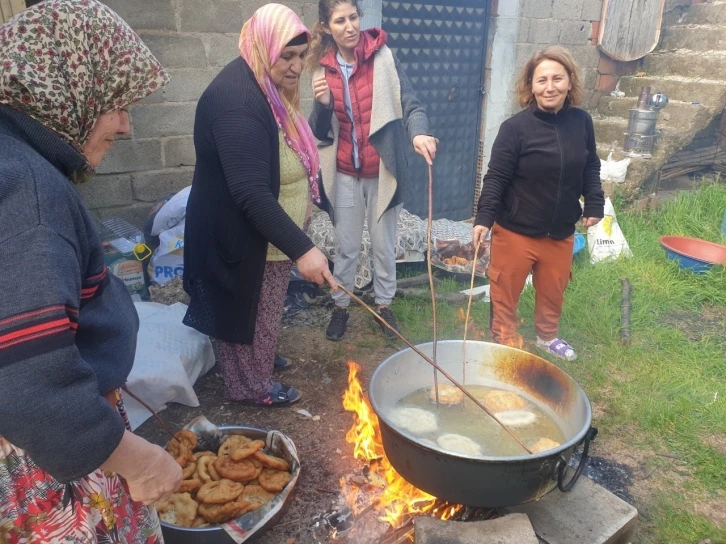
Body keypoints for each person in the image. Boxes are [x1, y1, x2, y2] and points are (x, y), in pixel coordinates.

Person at [0, 1, 180, 541]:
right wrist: (139, 462)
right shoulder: (28, 191)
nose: (126, 126)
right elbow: (27, 379)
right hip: (47, 464)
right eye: (116, 105)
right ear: (68, 88)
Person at [183, 4, 336, 407]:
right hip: (238, 234)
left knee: (262, 311)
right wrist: (304, 248)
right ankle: (250, 388)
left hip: (261, 234)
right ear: (262, 45)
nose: (296, 66)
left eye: (302, 55)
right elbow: (250, 192)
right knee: (245, 311)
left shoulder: (262, 85)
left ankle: (258, 360)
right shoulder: (238, 102)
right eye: (287, 55)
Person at [308, 0, 438, 341]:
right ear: (326, 27)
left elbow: (411, 104)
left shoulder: (383, 57)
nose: (350, 26)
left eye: (353, 17)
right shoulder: (321, 71)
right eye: (340, 20)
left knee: (383, 246)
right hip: (345, 173)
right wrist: (322, 108)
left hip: (382, 170)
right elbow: (318, 133)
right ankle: (341, 306)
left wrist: (419, 131)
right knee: (347, 247)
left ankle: (383, 306)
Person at [472, 46, 604, 361]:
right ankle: (503, 344)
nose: (550, 87)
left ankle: (547, 338)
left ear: (570, 82)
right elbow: (496, 177)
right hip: (516, 231)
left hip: (559, 231)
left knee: (553, 291)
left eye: (557, 78)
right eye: (541, 80)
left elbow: (590, 165)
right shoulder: (515, 129)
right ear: (530, 86)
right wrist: (483, 218)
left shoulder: (581, 122)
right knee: (505, 293)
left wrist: (594, 202)